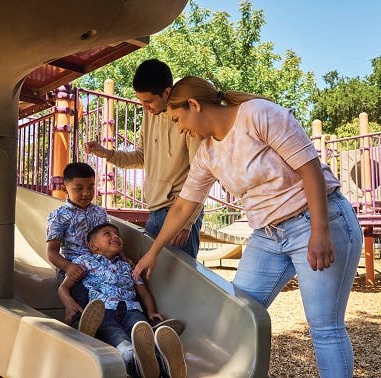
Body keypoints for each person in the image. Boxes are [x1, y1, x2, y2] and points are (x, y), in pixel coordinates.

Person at [133, 76, 363, 378]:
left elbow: (309, 169)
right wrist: (154, 251)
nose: (179, 128)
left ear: (194, 105)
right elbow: (183, 205)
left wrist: (320, 232)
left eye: (178, 119)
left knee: (324, 325)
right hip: (268, 235)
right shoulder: (206, 153)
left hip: (317, 218)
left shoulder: (258, 114)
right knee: (236, 316)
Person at [85, 59, 203, 258]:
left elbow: (201, 173)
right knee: (155, 278)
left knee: (180, 282)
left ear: (167, 92)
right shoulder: (150, 114)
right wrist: (109, 154)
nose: (145, 107)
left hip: (178, 211)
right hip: (155, 211)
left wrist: (187, 221)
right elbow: (141, 157)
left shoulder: (188, 119)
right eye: (141, 101)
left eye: (148, 101)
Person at [58, 223, 187, 378]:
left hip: (132, 310)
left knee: (143, 336)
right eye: (107, 234)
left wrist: (151, 311)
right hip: (102, 313)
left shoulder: (128, 266)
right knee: (122, 343)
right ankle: (139, 366)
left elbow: (143, 292)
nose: (115, 236)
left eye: (117, 234)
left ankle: (167, 363)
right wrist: (69, 304)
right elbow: (63, 287)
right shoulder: (84, 261)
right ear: (93, 246)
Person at [46, 162, 109, 328]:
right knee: (82, 293)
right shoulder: (59, 216)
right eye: (79, 188)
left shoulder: (100, 213)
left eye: (91, 187)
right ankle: (79, 322)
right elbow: (52, 252)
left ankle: (142, 321)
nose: (86, 193)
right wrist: (68, 267)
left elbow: (109, 240)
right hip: (74, 268)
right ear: (66, 189)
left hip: (99, 266)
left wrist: (124, 258)